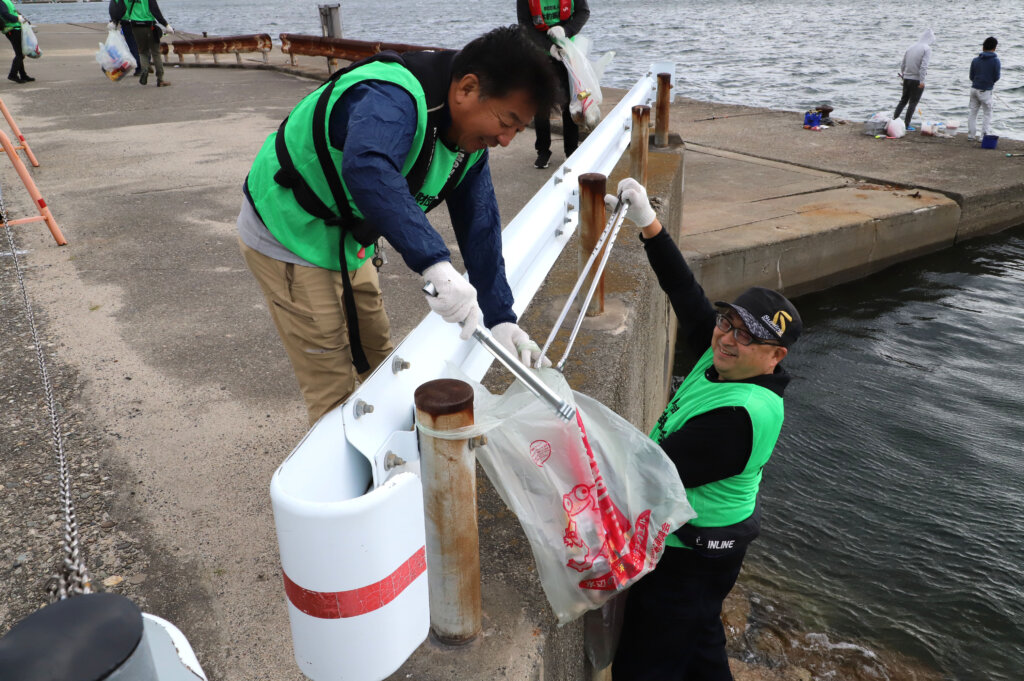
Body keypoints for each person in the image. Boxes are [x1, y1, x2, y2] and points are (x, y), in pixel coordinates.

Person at [238, 26, 558, 425]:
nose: (507, 139)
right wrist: (435, 263)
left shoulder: (471, 140)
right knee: (332, 385)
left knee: (379, 355)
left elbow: (481, 227)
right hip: (290, 227)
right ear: (468, 88)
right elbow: (368, 166)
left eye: (518, 129)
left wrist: (501, 317)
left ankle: (393, 445)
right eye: (507, 121)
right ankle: (340, 475)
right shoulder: (393, 97)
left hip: (351, 237)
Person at [608, 178, 802, 680]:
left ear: (774, 356)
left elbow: (649, 473)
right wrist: (648, 225)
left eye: (748, 336)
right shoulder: (720, 357)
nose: (728, 338)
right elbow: (684, 291)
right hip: (699, 547)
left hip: (691, 556)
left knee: (646, 662)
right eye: (728, 322)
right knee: (698, 644)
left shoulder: (741, 417)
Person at [517, 0, 590, 169]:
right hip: (539, 53)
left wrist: (566, 30)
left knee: (570, 101)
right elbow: (525, 25)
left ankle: (571, 150)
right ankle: (543, 151)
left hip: (568, 50)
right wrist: (549, 47)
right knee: (541, 103)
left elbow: (583, 12)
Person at [108, 0, 174, 86]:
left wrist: (114, 21)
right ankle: (160, 79)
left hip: (135, 26)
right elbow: (155, 10)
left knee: (142, 51)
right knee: (156, 52)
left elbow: (121, 9)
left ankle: (144, 69)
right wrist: (166, 25)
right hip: (150, 25)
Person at [893, 28, 935, 132]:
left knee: (903, 100)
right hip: (916, 79)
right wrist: (922, 81)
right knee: (913, 102)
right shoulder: (927, 49)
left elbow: (903, 64)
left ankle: (894, 120)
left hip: (906, 78)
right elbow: (924, 66)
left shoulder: (911, 47)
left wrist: (903, 75)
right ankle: (907, 124)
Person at [968, 36, 1000, 142]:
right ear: (994, 48)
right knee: (987, 113)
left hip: (974, 88)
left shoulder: (975, 60)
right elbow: (996, 76)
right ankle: (983, 136)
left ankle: (971, 135)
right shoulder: (995, 61)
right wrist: (989, 83)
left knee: (973, 112)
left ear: (983, 47)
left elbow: (971, 76)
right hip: (986, 90)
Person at [0, 0, 33, 84]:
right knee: (20, 54)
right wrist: (17, 19)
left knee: (20, 53)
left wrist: (24, 20)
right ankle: (13, 75)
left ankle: (23, 75)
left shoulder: (6, 1)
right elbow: (4, 14)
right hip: (12, 29)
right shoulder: (2, 1)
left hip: (15, 28)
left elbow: (14, 12)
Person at [107, 0, 141, 77]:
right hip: (142, 22)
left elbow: (115, 9)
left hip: (128, 22)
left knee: (132, 45)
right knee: (143, 45)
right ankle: (146, 64)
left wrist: (114, 21)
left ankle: (139, 68)